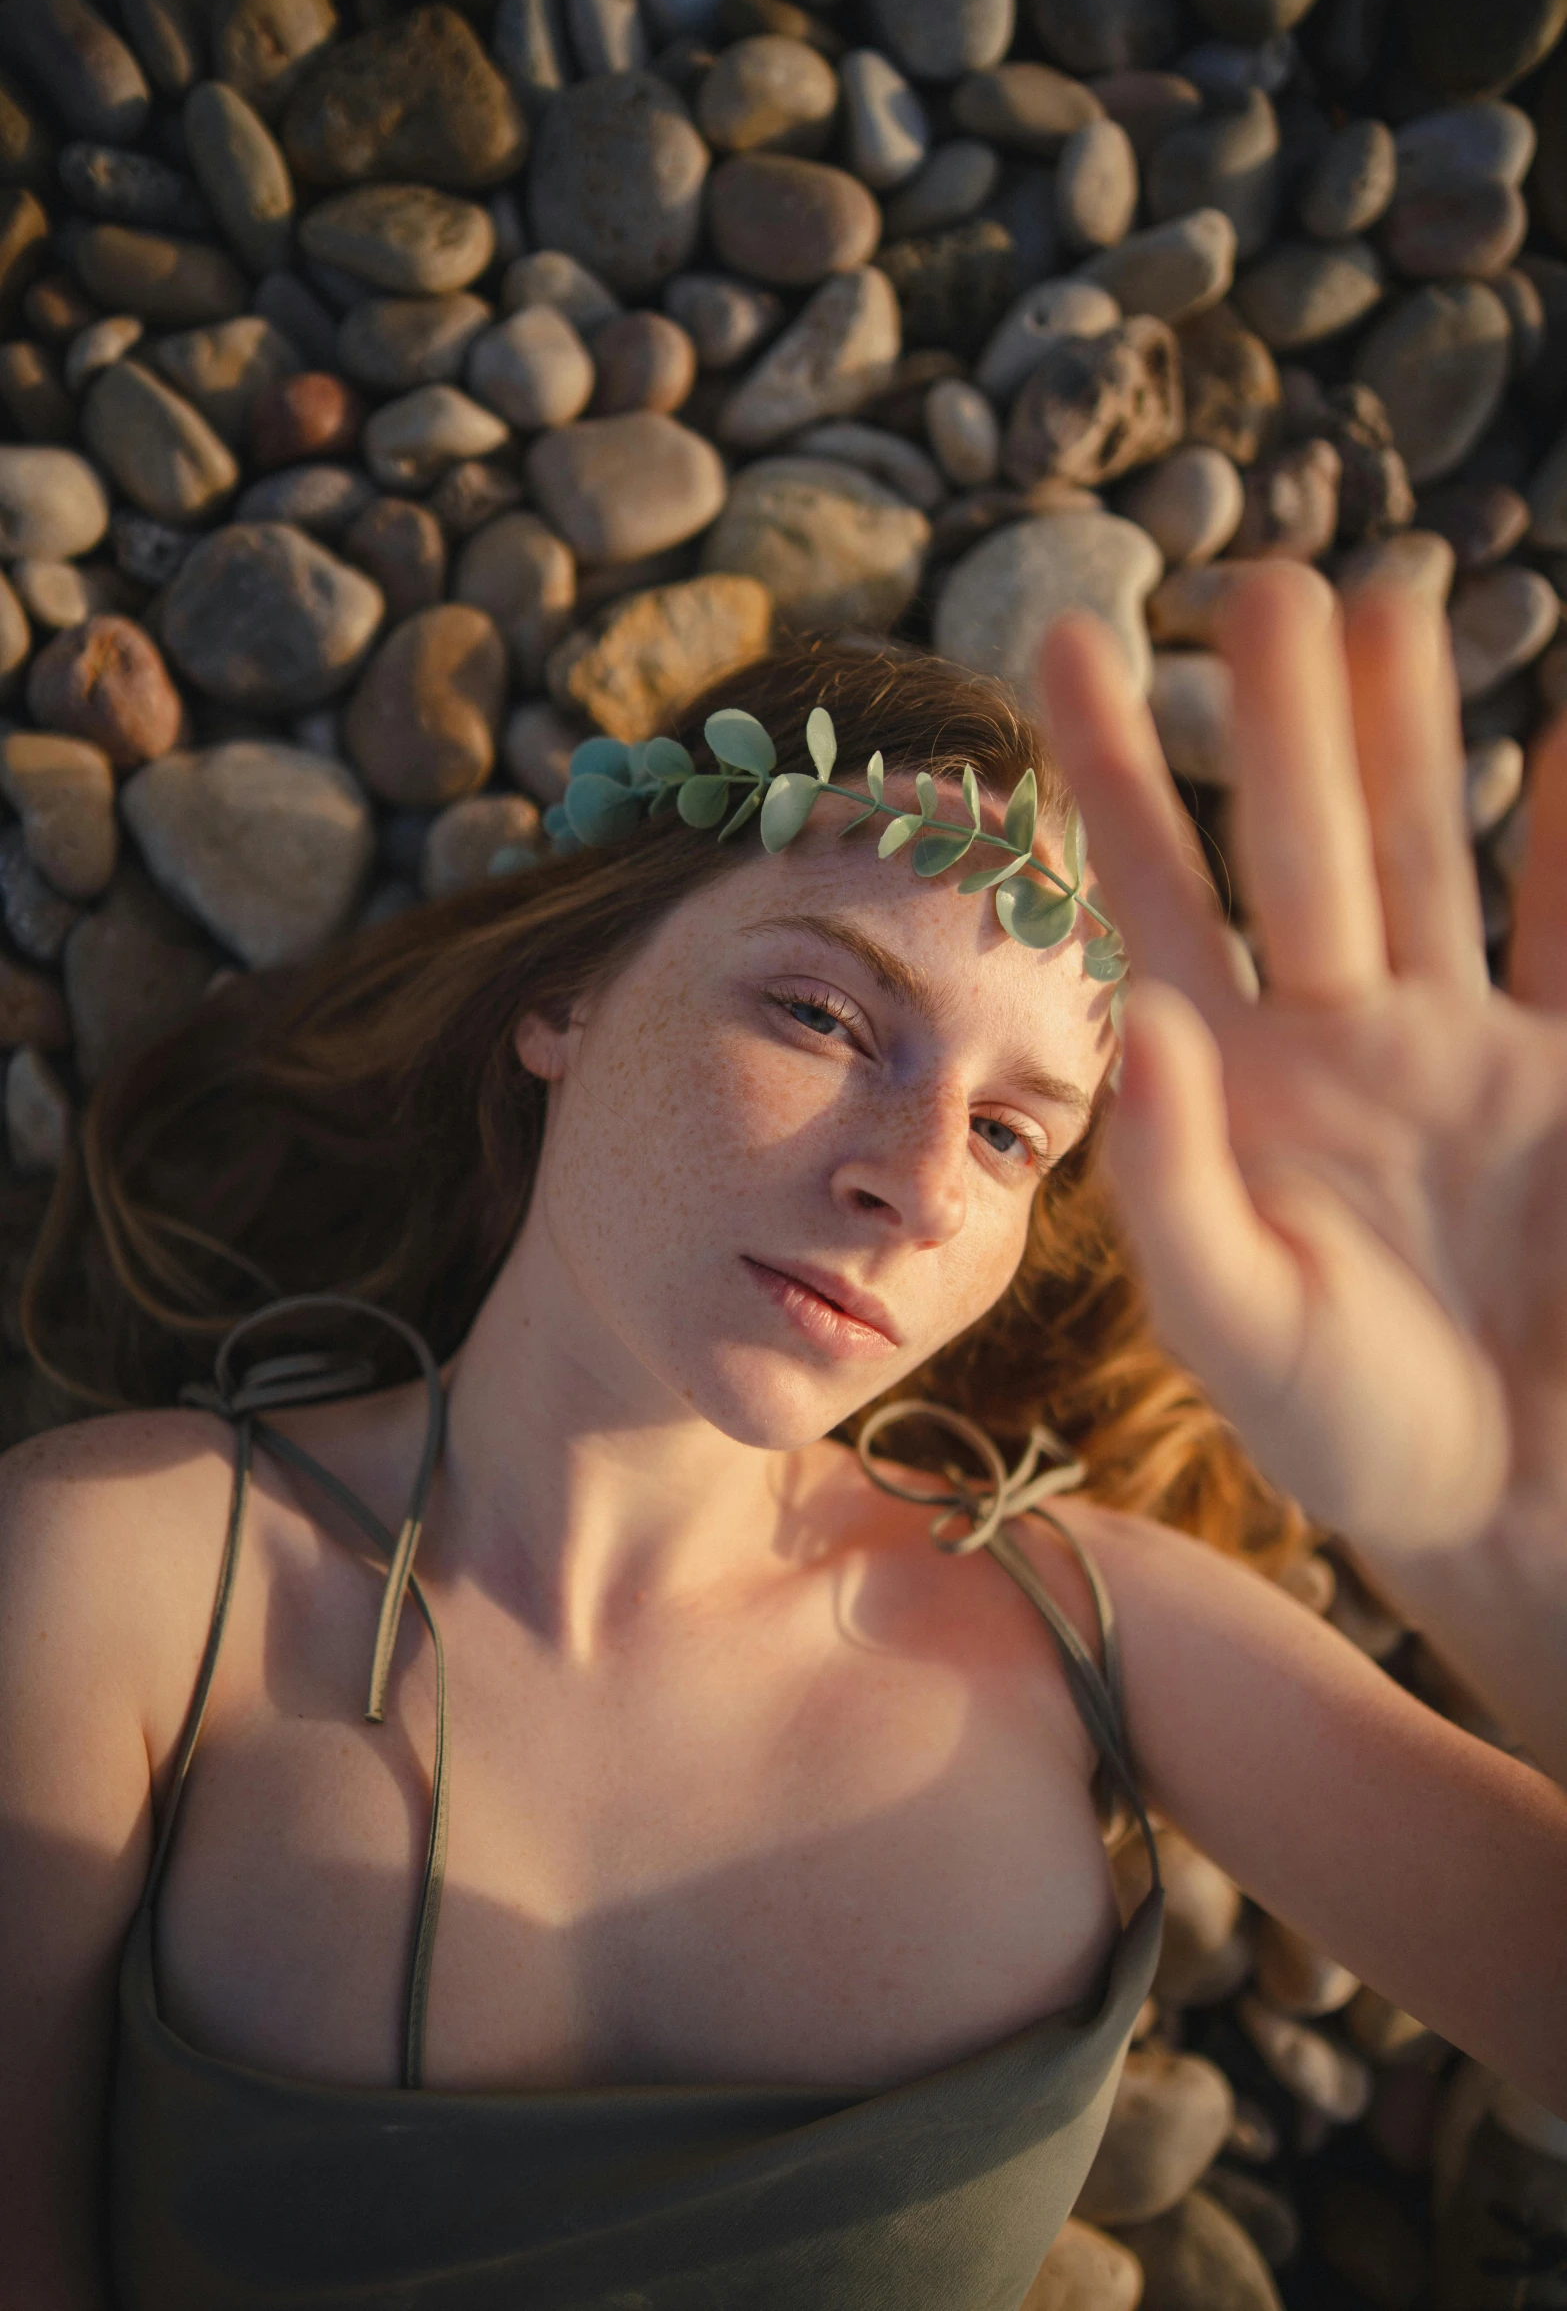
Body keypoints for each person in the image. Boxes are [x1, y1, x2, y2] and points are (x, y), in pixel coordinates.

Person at [0, 559, 1564, 2310]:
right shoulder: (128, 1570)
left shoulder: (1094, 1631)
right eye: (822, 1013)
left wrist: (1514, 1560)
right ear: (567, 996)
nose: (908, 1179)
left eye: (1008, 1133)